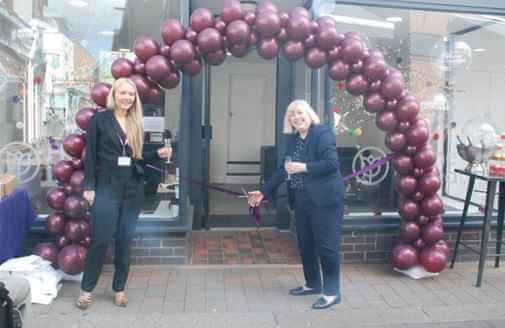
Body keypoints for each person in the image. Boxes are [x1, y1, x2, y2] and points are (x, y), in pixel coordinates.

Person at [76, 78, 171, 309]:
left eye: (131, 94)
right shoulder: (99, 120)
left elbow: (135, 157)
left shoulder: (135, 121)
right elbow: (90, 158)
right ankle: (87, 289)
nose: (127, 98)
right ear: (114, 95)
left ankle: (119, 289)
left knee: (125, 241)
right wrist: (89, 186)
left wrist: (158, 153)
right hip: (107, 187)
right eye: (123, 93)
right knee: (100, 240)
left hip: (132, 188)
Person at [248, 99, 345, 310]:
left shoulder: (322, 133)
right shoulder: (293, 140)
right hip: (302, 199)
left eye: (300, 112)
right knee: (305, 245)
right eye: (292, 115)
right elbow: (284, 170)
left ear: (309, 113)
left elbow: (331, 164)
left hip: (325, 201)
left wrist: (303, 167)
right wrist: (263, 192)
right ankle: (313, 284)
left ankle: (332, 292)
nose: (297, 117)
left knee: (327, 247)